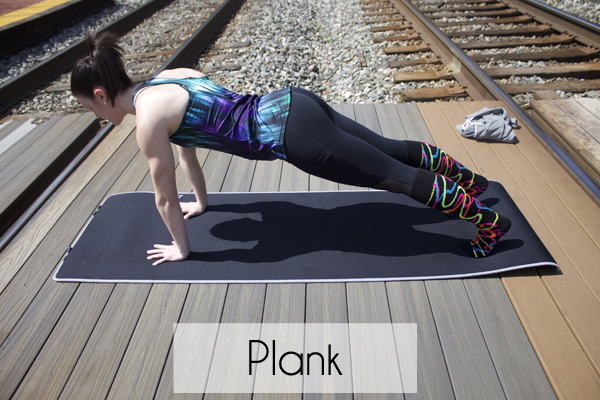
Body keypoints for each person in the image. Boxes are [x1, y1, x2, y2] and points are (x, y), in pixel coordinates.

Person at [71, 31, 511, 265]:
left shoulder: (146, 124)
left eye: (90, 106)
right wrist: (202, 204)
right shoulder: (170, 77)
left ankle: (488, 223)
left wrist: (182, 249)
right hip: (291, 100)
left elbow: (164, 198)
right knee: (389, 148)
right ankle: (469, 181)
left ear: (102, 94)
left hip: (291, 135)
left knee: (391, 177)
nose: (94, 115)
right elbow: (187, 151)